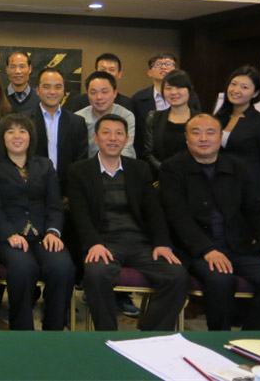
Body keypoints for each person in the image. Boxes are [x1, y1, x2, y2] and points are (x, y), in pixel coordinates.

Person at [67, 114, 188, 331]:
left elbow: (154, 211)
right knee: (96, 275)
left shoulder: (139, 169)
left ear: (126, 139)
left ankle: (151, 336)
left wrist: (162, 243)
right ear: (96, 138)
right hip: (104, 242)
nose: (112, 138)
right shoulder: (80, 171)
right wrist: (93, 243)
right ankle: (106, 336)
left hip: (140, 243)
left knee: (177, 276)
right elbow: (79, 214)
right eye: (106, 133)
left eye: (118, 133)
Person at [159, 114, 260, 331]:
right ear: (186, 138)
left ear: (220, 138)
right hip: (197, 250)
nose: (203, 138)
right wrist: (207, 249)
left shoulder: (238, 167)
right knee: (221, 280)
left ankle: (249, 339)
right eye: (196, 132)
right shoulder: (172, 168)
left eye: (210, 133)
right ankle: (219, 338)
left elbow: (256, 211)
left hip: (238, 246)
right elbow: (178, 216)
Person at [0, 113, 75, 330]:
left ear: (31, 136)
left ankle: (54, 332)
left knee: (63, 268)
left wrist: (53, 231)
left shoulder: (45, 165)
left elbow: (55, 205)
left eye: (22, 131)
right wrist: (9, 234)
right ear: (2, 137)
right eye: (10, 131)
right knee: (24, 267)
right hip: (6, 238)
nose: (17, 136)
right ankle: (22, 333)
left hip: (42, 235)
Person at [28, 68, 88, 196]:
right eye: (47, 87)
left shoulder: (77, 122)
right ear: (37, 90)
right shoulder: (25, 121)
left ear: (64, 91)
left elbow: (80, 162)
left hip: (67, 193)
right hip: (32, 193)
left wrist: (70, 193)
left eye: (58, 87)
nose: (52, 91)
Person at [214, 65, 260, 195]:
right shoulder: (217, 118)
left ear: (255, 93)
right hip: (220, 184)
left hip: (249, 187)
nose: (236, 90)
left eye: (244, 87)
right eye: (233, 84)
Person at [144, 70, 199, 178]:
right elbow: (148, 153)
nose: (173, 92)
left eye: (179, 87)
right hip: (163, 176)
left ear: (189, 90)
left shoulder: (201, 120)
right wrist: (167, 170)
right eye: (168, 88)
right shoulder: (154, 117)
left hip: (195, 176)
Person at [76, 71, 136, 159]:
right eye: (93, 92)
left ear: (114, 93)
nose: (99, 97)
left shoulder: (125, 116)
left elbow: (126, 149)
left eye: (104, 92)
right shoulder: (78, 118)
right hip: (88, 165)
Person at [132, 52, 202, 125]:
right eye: (158, 64)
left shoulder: (190, 96)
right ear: (149, 72)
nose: (163, 67)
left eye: (168, 64)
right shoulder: (138, 98)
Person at [70, 53, 136, 114]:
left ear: (119, 74)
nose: (107, 73)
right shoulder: (80, 101)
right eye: (103, 69)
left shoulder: (127, 103)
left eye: (112, 69)